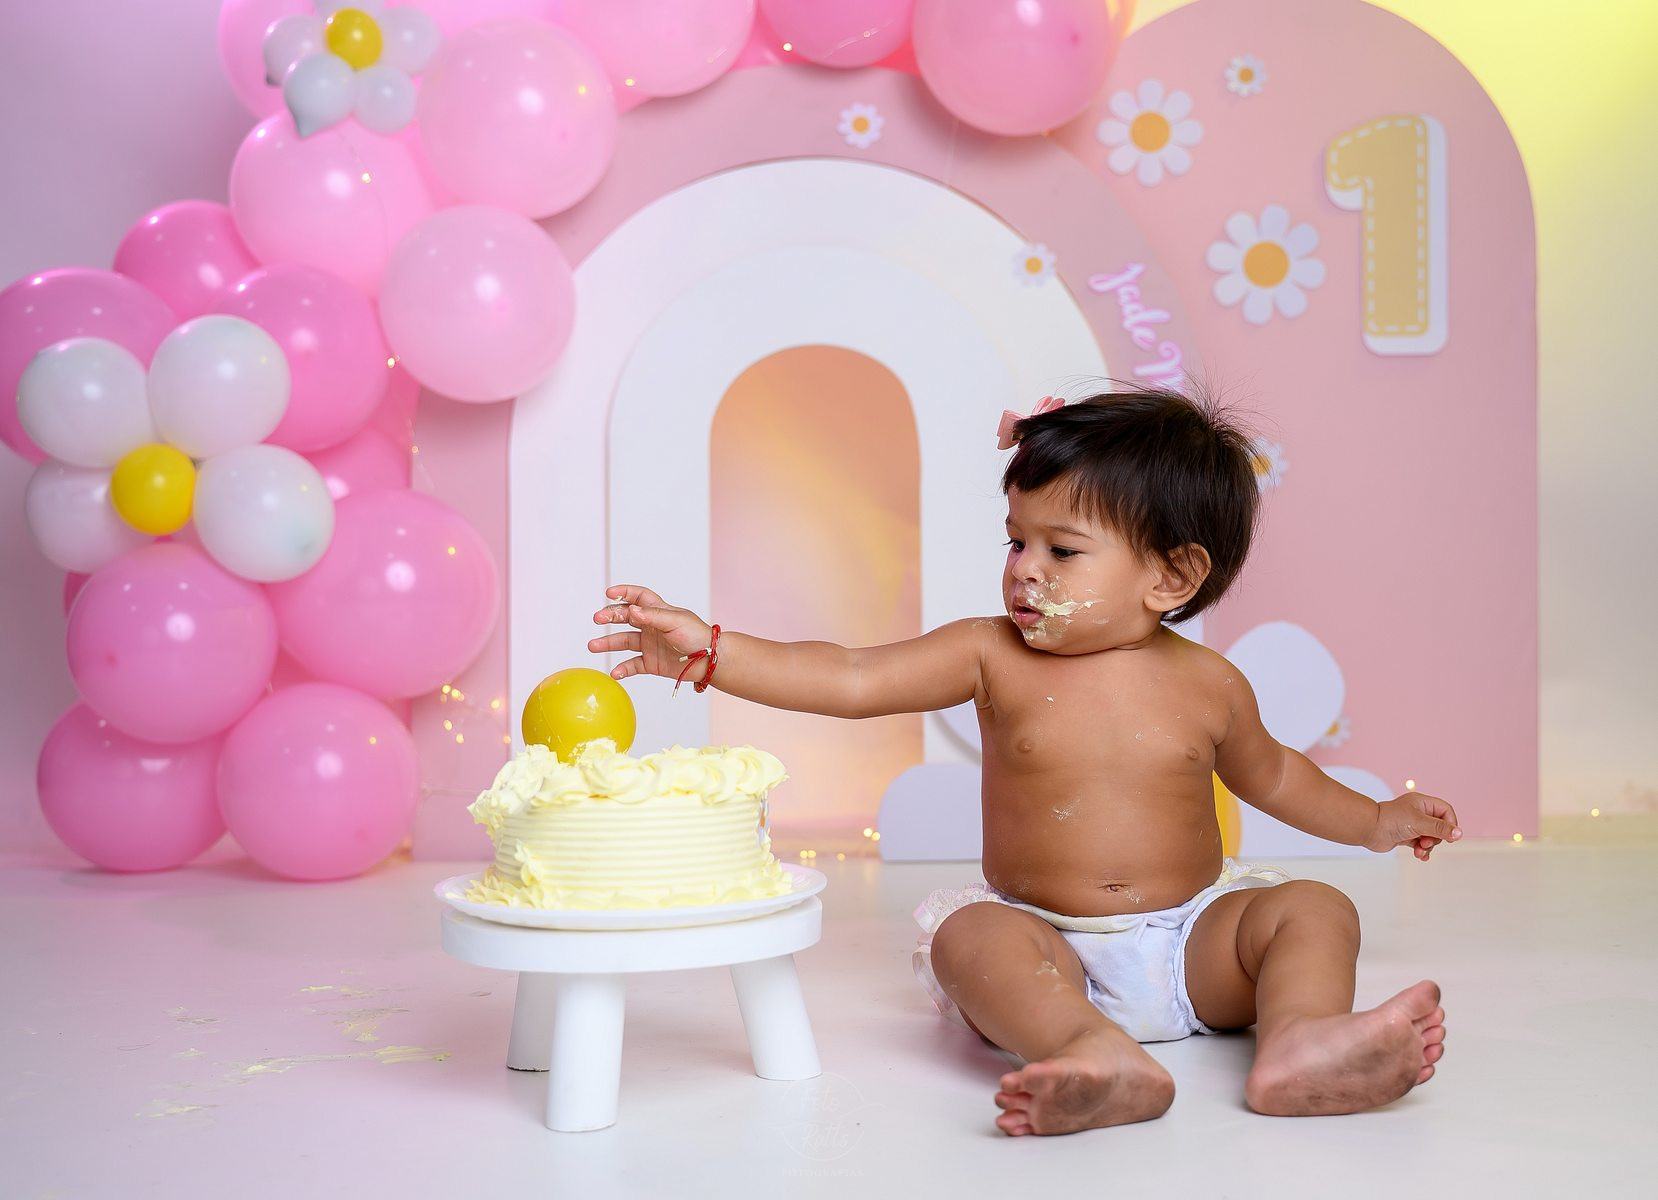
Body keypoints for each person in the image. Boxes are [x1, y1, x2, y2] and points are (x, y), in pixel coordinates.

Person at [588, 387, 1458, 1136]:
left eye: (1061, 551)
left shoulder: (1210, 684)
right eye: (1016, 542)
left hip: (1196, 942)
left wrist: (1375, 822)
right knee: (972, 938)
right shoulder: (989, 654)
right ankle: (1092, 1052)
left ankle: (1301, 1042)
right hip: (1051, 945)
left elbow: (1277, 778)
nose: (1024, 573)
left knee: (1314, 908)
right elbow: (852, 676)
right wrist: (714, 651)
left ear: (1171, 577)